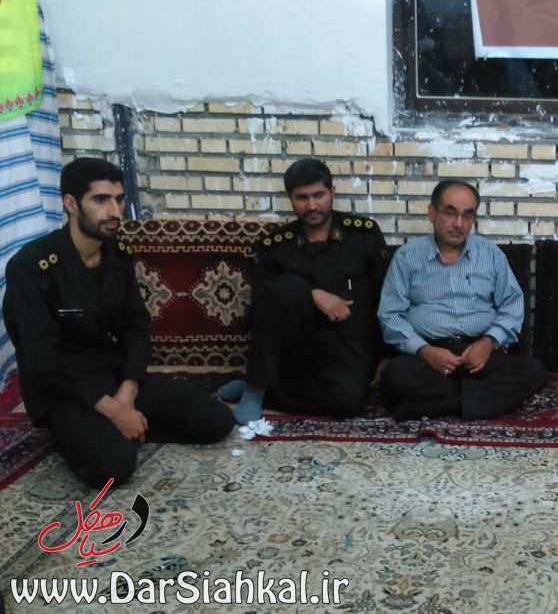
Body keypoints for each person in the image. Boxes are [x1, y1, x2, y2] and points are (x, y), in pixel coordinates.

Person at [2, 158, 234, 488]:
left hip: (111, 374)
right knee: (114, 465)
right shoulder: (31, 267)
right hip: (65, 390)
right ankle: (88, 432)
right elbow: (43, 360)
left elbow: (135, 326)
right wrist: (112, 410)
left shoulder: (117, 253)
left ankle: (120, 428)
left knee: (217, 420)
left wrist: (127, 392)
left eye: (119, 199)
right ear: (71, 204)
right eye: (101, 200)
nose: (114, 211)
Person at [218, 158, 389, 423]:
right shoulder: (275, 245)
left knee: (346, 401)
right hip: (297, 345)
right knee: (287, 286)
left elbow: (386, 295)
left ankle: (268, 393)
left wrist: (388, 355)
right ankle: (255, 388)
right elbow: (262, 305)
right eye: (302, 197)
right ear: (290, 198)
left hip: (348, 343)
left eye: (319, 195)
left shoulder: (363, 235)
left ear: (332, 193)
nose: (312, 206)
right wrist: (313, 294)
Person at [377, 180, 546, 420]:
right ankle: (476, 400)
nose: (459, 224)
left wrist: (487, 344)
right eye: (450, 213)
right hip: (430, 356)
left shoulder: (490, 254)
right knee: (396, 375)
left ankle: (435, 406)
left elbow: (513, 305)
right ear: (432, 213)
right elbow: (390, 315)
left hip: (480, 356)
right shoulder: (407, 257)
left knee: (533, 371)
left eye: (467, 215)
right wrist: (425, 351)